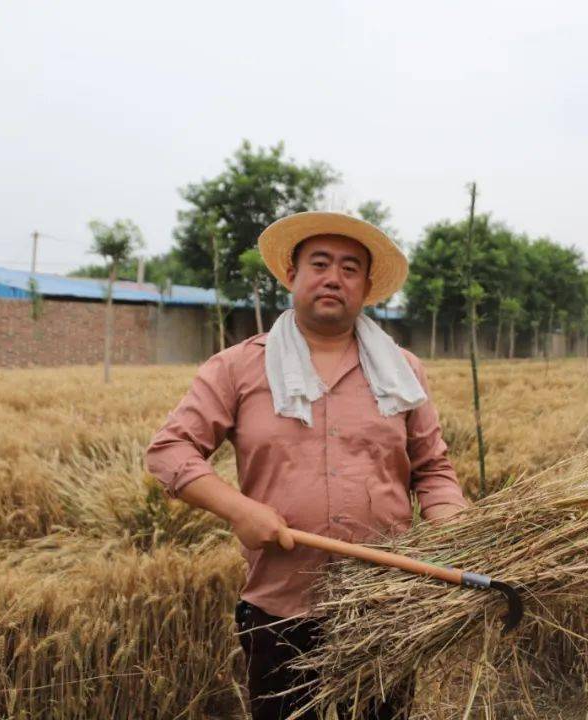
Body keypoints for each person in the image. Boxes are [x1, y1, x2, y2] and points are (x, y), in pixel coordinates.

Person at [145, 211, 470, 719]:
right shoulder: (236, 368)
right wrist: (239, 509)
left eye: (349, 268)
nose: (333, 277)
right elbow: (170, 451)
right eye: (320, 263)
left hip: (385, 603)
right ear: (292, 275)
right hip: (281, 608)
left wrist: (457, 532)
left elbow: (432, 469)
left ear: (365, 286)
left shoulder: (403, 372)